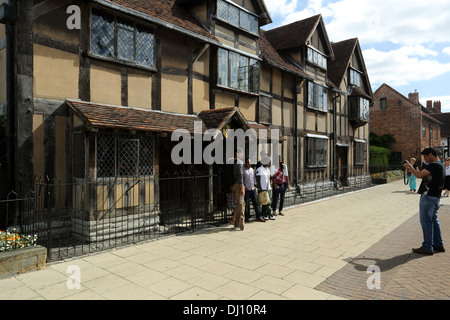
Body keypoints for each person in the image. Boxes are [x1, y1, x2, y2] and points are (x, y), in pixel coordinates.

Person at [403, 147, 445, 255]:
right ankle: (438, 244)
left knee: (426, 221)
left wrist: (409, 167)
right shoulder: (440, 165)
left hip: (428, 197)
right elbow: (423, 175)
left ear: (431, 155)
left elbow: (418, 175)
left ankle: (427, 246)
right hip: (436, 197)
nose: (425, 160)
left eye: (425, 157)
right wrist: (413, 169)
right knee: (434, 220)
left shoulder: (434, 165)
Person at [243, 158, 265, 223]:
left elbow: (254, 178)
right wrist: (244, 186)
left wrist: (255, 185)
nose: (249, 164)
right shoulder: (243, 170)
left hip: (252, 189)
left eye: (250, 162)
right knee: (246, 204)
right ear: (245, 163)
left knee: (255, 203)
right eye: (248, 162)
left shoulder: (252, 169)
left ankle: (258, 216)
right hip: (247, 189)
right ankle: (247, 217)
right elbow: (242, 179)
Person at [230, 148, 245, 230]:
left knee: (237, 203)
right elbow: (240, 176)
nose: (242, 155)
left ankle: (236, 222)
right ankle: (240, 221)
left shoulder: (231, 161)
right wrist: (242, 187)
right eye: (241, 153)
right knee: (241, 203)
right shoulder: (239, 162)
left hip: (232, 185)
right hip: (238, 185)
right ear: (237, 153)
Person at [256, 156, 275, 221]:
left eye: (268, 162)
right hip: (263, 188)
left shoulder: (268, 170)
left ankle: (264, 214)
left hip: (268, 188)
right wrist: (260, 188)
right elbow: (257, 180)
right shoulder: (259, 169)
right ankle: (270, 214)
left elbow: (268, 179)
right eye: (267, 162)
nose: (268, 164)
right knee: (266, 202)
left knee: (267, 202)